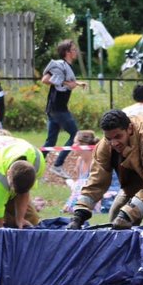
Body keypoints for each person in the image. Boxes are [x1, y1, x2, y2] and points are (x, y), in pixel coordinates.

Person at [67, 109, 143, 229]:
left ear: (130, 129)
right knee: (116, 219)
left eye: (118, 136)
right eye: (109, 138)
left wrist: (128, 215)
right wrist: (79, 214)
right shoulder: (104, 146)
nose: (114, 143)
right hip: (136, 180)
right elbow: (96, 182)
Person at [42, 39, 88, 180]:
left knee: (51, 142)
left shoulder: (65, 66)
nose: (76, 52)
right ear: (67, 52)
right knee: (75, 134)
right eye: (74, 50)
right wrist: (66, 83)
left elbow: (66, 81)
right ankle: (58, 165)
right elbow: (44, 79)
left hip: (54, 108)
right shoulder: (59, 64)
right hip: (58, 109)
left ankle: (33, 166)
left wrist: (77, 83)